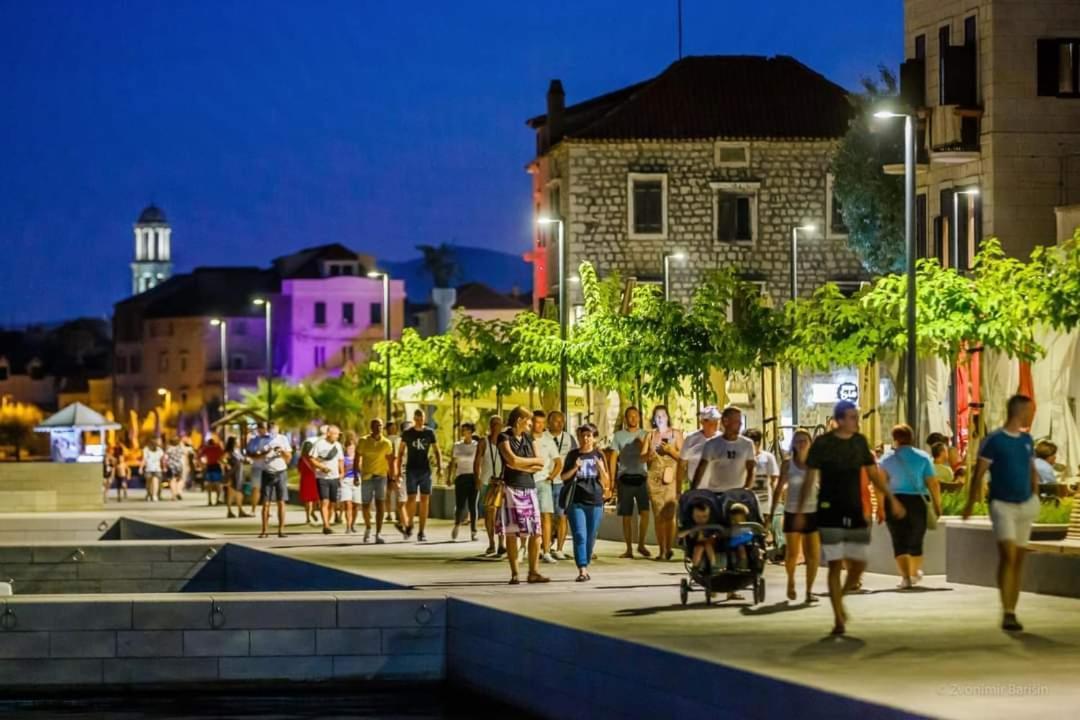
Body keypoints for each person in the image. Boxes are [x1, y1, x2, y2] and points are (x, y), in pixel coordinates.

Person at [796, 401, 904, 636]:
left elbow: (874, 475)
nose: (856, 421)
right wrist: (803, 510)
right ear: (839, 420)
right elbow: (809, 478)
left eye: (856, 417)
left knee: (859, 564)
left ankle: (840, 597)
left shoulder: (859, 443)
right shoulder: (823, 444)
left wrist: (891, 499)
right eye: (852, 417)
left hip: (855, 508)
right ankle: (838, 618)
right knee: (835, 563)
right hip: (829, 509)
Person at [963, 394, 1040, 632]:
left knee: (1018, 559)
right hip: (1002, 504)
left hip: (1025, 503)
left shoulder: (1027, 439)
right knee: (1008, 555)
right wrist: (971, 500)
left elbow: (1031, 468)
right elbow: (980, 471)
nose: (1031, 414)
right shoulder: (994, 440)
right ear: (1019, 411)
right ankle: (1006, 610)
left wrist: (1035, 494)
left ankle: (1012, 611)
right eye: (1029, 410)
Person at [879, 424, 942, 589]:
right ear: (912, 438)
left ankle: (905, 577)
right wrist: (937, 504)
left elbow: (881, 485)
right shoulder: (923, 457)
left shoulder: (886, 459)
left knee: (898, 540)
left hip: (894, 501)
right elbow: (933, 483)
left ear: (895, 439)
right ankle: (914, 573)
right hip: (917, 502)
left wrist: (879, 507)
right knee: (916, 540)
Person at [496, 406, 548, 584]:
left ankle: (534, 572)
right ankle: (515, 573)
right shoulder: (504, 437)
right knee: (512, 532)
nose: (531, 424)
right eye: (529, 420)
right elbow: (511, 460)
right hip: (511, 488)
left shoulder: (528, 437)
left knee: (536, 532)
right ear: (519, 420)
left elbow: (540, 463)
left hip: (529, 487)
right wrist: (523, 464)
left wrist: (520, 464)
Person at [769, 429, 820, 604]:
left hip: (812, 512)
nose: (801, 443)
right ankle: (791, 581)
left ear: (810, 443)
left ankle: (809, 590)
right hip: (791, 512)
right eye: (798, 440)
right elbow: (778, 488)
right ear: (793, 444)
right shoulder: (787, 464)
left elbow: (816, 486)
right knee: (792, 554)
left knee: (813, 555)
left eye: (804, 440)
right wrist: (772, 510)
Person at [561, 423, 610, 582]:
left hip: (595, 500)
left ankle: (586, 560)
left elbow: (606, 481)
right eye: (582, 435)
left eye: (589, 435)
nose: (585, 439)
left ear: (594, 438)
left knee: (591, 536)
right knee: (580, 535)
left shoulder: (599, 455)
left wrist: (601, 469)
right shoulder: (572, 455)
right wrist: (575, 468)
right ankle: (582, 569)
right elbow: (563, 477)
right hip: (576, 500)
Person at [611, 406, 651, 559]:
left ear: (639, 418)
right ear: (626, 419)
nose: (633, 418)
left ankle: (641, 544)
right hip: (625, 478)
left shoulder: (645, 435)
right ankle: (628, 548)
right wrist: (612, 479)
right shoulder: (618, 436)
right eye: (630, 416)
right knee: (626, 515)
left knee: (645, 512)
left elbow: (650, 457)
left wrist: (644, 447)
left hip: (642, 477)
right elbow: (614, 457)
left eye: (636, 416)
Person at [644, 405, 683, 561]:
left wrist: (670, 451)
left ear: (668, 417)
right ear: (654, 419)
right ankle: (661, 550)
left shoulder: (677, 434)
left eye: (663, 415)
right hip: (654, 478)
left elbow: (683, 457)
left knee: (669, 514)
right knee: (658, 514)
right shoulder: (650, 436)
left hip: (670, 478)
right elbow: (642, 457)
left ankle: (669, 548)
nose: (660, 418)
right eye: (657, 416)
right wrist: (650, 454)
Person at [397, 409, 442, 541]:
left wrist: (440, 467)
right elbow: (400, 452)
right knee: (411, 499)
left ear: (423, 419)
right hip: (411, 469)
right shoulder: (407, 433)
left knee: (424, 500)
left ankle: (421, 531)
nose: (419, 420)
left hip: (424, 470)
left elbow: (436, 450)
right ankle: (409, 524)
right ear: (414, 419)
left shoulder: (429, 432)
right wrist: (398, 469)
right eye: (417, 418)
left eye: (421, 418)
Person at [691, 406, 755, 493]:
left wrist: (746, 489)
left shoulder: (747, 444)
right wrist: (693, 490)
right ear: (725, 422)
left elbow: (751, 469)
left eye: (740, 421)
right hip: (717, 494)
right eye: (736, 421)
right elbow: (701, 468)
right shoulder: (712, 444)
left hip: (738, 494)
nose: (740, 424)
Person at [530, 411, 564, 564]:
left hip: (543, 482)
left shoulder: (548, 441)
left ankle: (546, 551)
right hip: (527, 483)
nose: (540, 426)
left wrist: (551, 476)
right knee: (528, 517)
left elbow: (558, 462)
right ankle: (526, 548)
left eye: (542, 423)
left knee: (546, 516)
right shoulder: (525, 438)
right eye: (537, 422)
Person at [356, 418, 394, 544]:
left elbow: (390, 461)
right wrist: (355, 475)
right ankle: (368, 527)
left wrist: (392, 478)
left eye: (381, 426)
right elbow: (357, 458)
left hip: (381, 477)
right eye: (376, 426)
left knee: (380, 505)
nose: (379, 428)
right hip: (367, 476)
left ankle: (378, 533)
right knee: (365, 506)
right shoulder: (363, 441)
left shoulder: (387, 443)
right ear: (371, 427)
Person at [546, 411, 577, 559]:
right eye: (556, 421)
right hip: (545, 481)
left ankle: (559, 549)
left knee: (562, 515)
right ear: (549, 422)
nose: (559, 423)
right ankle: (545, 547)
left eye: (562, 421)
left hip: (562, 482)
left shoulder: (569, 438)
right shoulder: (543, 438)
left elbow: (576, 456)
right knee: (546, 516)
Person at [475, 415, 506, 557]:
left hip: (502, 482)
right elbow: (477, 461)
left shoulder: (505, 442)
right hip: (488, 482)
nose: (496, 427)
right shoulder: (483, 442)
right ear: (490, 426)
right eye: (494, 424)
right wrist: (477, 478)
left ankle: (501, 543)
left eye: (499, 424)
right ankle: (491, 543)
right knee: (490, 513)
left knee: (501, 514)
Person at [256, 422, 292, 539]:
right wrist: (268, 450)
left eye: (275, 428)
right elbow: (258, 456)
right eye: (271, 429)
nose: (273, 430)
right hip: (267, 472)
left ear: (278, 429)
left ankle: (281, 530)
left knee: (281, 502)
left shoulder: (283, 439)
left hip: (281, 472)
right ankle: (264, 530)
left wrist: (281, 451)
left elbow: (289, 457)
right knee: (265, 503)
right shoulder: (262, 440)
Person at [308, 425, 345, 535]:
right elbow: (311, 459)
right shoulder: (319, 444)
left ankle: (327, 522)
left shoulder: (338, 446)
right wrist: (322, 467)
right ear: (328, 433)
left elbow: (340, 460)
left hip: (334, 477)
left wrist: (342, 472)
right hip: (322, 477)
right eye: (335, 434)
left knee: (333, 503)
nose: (337, 436)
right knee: (325, 501)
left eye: (338, 434)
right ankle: (326, 525)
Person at [448, 423, 479, 542]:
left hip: (473, 476)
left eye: (466, 430)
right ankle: (457, 525)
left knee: (473, 505)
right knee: (460, 505)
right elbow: (452, 462)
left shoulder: (476, 445)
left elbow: (479, 462)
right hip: (461, 477)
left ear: (471, 432)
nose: (464, 432)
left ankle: (473, 531)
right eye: (463, 430)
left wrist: (479, 477)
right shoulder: (457, 445)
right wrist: (450, 477)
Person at [680, 406, 722, 489]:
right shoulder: (691, 439)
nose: (715, 423)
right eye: (711, 421)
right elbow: (681, 464)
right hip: (697, 489)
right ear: (702, 422)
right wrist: (678, 489)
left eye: (717, 420)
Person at [745, 429, 780, 516]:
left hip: (765, 503)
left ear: (757, 443)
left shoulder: (768, 457)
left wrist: (775, 501)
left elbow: (774, 480)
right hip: (747, 503)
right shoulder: (742, 458)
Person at [245, 423, 271, 516]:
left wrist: (259, 455)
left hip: (268, 467)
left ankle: (267, 510)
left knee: (267, 490)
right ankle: (253, 510)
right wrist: (259, 456)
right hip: (257, 467)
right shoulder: (253, 440)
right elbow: (249, 452)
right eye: (259, 428)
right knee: (255, 489)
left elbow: (270, 452)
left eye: (262, 428)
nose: (260, 430)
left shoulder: (271, 439)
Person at [688, 499, 719, 571]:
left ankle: (713, 565)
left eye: (705, 516)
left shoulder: (712, 525)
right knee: (700, 547)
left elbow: (717, 534)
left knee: (707, 544)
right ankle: (695, 567)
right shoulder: (691, 525)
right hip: (696, 545)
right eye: (698, 517)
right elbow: (686, 535)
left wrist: (714, 536)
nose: (701, 519)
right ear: (692, 515)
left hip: (711, 544)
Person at [297, 433, 320, 525]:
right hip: (313, 478)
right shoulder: (314, 458)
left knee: (307, 500)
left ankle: (308, 517)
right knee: (315, 498)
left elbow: (299, 470)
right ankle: (312, 512)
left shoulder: (301, 459)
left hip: (305, 480)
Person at [224, 436, 249, 518]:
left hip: (239, 473)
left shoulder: (237, 451)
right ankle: (237, 510)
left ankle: (236, 510)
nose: (238, 442)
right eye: (237, 441)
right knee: (235, 493)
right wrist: (227, 465)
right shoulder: (229, 452)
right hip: (232, 474)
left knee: (236, 493)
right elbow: (221, 459)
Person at [198, 435, 226, 507]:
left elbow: (199, 456)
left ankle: (209, 500)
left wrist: (202, 464)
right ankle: (217, 500)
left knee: (209, 485)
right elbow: (223, 456)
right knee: (217, 484)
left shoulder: (206, 448)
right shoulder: (218, 448)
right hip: (216, 466)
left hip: (209, 467)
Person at [384, 421, 403, 525]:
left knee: (397, 491)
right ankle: (388, 513)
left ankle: (397, 512)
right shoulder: (385, 440)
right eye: (390, 427)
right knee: (388, 492)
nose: (392, 429)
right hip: (386, 467)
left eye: (394, 427)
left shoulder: (399, 439)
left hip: (396, 467)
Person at [340, 434, 358, 533]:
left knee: (355, 505)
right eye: (348, 447)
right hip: (346, 481)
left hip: (356, 480)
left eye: (352, 447)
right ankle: (347, 526)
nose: (350, 449)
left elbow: (362, 468)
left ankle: (352, 524)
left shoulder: (359, 458)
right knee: (348, 504)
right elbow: (341, 470)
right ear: (345, 448)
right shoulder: (343, 458)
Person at [141, 436, 165, 502]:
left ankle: (152, 495)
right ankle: (151, 494)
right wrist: (164, 467)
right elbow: (144, 459)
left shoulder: (158, 450)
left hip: (153, 468)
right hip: (153, 468)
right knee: (152, 483)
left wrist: (140, 468)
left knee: (152, 482)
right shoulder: (147, 449)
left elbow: (162, 460)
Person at [164, 436, 186, 501]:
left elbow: (165, 458)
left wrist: (165, 466)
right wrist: (181, 444)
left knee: (172, 480)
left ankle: (173, 495)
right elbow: (185, 453)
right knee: (180, 480)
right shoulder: (181, 448)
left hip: (171, 466)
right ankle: (179, 491)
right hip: (179, 466)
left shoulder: (169, 449)